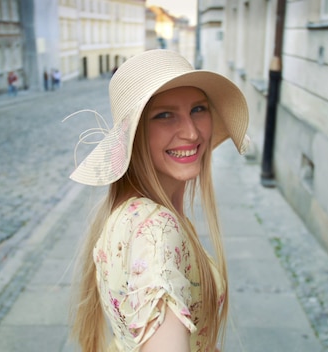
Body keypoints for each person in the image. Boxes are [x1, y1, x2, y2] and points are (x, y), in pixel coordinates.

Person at [68, 49, 249, 352]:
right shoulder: (157, 231)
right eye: (164, 115)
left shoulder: (129, 213)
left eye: (199, 109)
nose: (191, 132)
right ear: (134, 134)